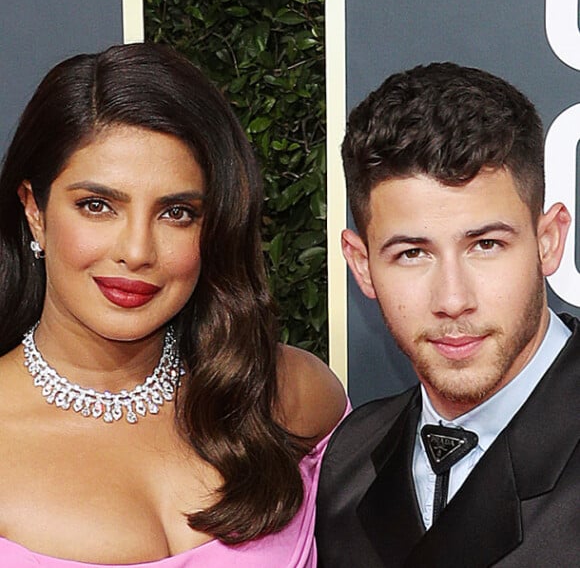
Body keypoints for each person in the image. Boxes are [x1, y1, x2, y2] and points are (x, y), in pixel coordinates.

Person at [0, 43, 346, 567]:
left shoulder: (290, 394)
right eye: (97, 206)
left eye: (177, 213)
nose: (137, 252)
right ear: (35, 212)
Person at [316, 62, 579, 567]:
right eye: (412, 253)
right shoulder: (348, 461)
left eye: (486, 244)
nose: (453, 299)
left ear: (549, 241)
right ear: (362, 266)